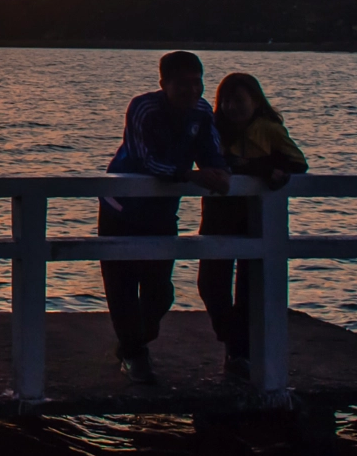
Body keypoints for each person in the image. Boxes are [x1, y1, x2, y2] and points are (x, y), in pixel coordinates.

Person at [100, 50, 230, 384]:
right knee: (122, 286)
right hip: (121, 208)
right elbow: (145, 161)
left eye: (196, 82)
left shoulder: (201, 112)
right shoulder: (144, 107)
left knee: (159, 290)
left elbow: (211, 150)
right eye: (181, 84)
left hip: (161, 211)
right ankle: (134, 354)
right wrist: (190, 176)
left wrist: (219, 171)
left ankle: (135, 342)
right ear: (164, 84)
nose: (191, 90)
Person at [197, 72, 309, 381]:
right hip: (218, 215)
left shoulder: (269, 130)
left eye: (240, 101)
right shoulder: (214, 130)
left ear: (255, 101)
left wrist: (261, 170)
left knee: (248, 289)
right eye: (227, 101)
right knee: (211, 284)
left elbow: (298, 163)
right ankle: (233, 342)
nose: (232, 107)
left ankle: (238, 353)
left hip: (253, 218)